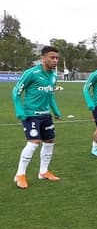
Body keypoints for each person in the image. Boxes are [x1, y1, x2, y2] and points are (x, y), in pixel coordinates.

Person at [11, 46, 63, 189]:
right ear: (43, 58)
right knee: (34, 142)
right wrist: (19, 110)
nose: (55, 60)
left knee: (50, 140)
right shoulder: (31, 73)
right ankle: (20, 174)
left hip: (45, 115)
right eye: (52, 57)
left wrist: (56, 111)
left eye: (57, 58)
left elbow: (50, 95)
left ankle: (43, 172)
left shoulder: (53, 75)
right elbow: (16, 92)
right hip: (30, 114)